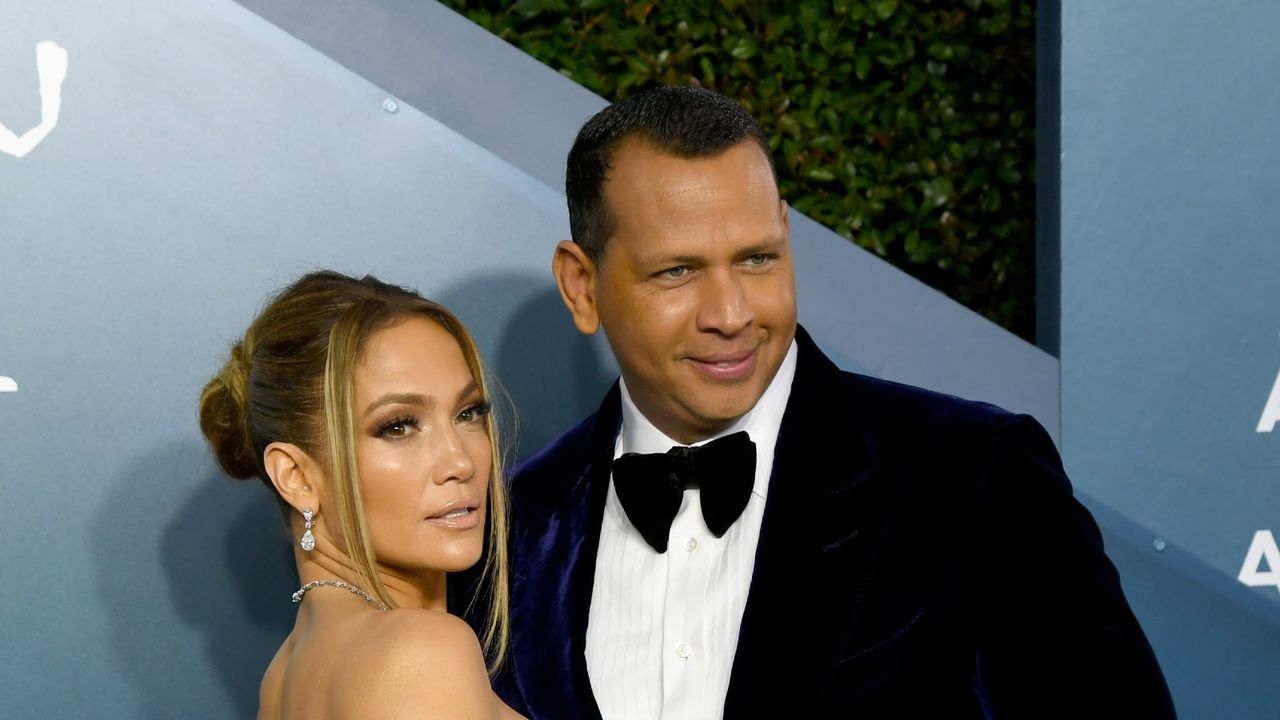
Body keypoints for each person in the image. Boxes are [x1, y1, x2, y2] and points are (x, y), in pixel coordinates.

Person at [480, 87, 1177, 717]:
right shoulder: (508, 536)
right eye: (678, 271)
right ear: (582, 286)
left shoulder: (971, 475)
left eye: (757, 258)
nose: (730, 313)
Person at [199, 270, 523, 719]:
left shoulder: (285, 678)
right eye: (398, 426)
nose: (461, 462)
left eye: (468, 413)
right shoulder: (420, 654)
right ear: (295, 476)